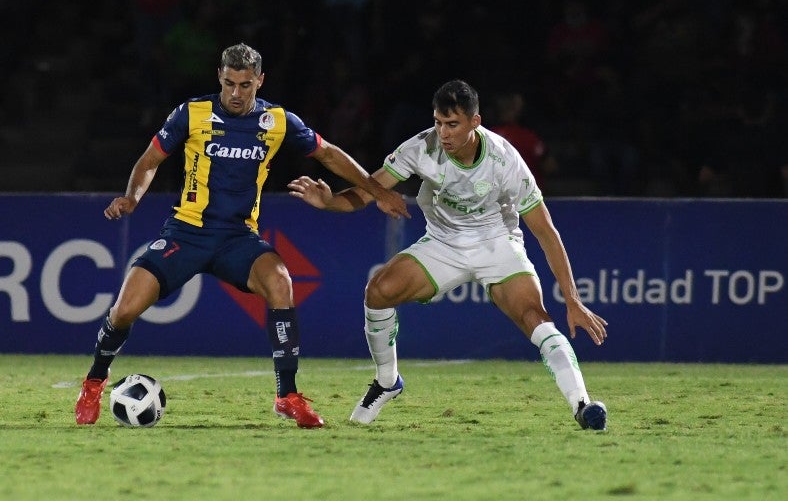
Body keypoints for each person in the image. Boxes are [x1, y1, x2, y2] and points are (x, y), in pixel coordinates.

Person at [75, 43, 410, 428]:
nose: (236, 93)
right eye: (230, 83)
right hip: (187, 232)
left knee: (281, 281)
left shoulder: (277, 121)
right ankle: (94, 382)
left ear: (260, 81)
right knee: (124, 310)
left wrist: (379, 191)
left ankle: (287, 395)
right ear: (219, 76)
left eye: (245, 85)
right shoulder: (192, 113)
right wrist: (131, 198)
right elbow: (150, 161)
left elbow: (330, 154)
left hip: (238, 238)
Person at [288, 79, 609, 430]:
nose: (443, 133)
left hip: (497, 243)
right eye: (439, 122)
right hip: (443, 243)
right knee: (377, 291)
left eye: (453, 124)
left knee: (534, 316)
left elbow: (546, 232)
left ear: (475, 122)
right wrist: (330, 201)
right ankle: (386, 381)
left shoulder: (505, 161)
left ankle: (582, 404)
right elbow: (369, 191)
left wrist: (573, 300)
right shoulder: (422, 147)